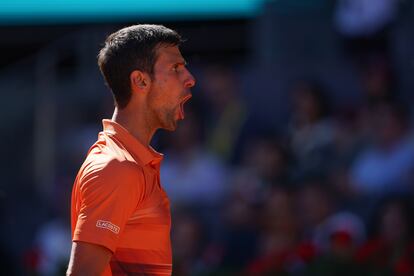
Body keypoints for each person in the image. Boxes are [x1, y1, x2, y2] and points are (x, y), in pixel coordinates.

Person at [66, 24, 196, 276]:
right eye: (176, 68)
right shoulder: (117, 168)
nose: (190, 78)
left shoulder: (127, 162)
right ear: (140, 80)